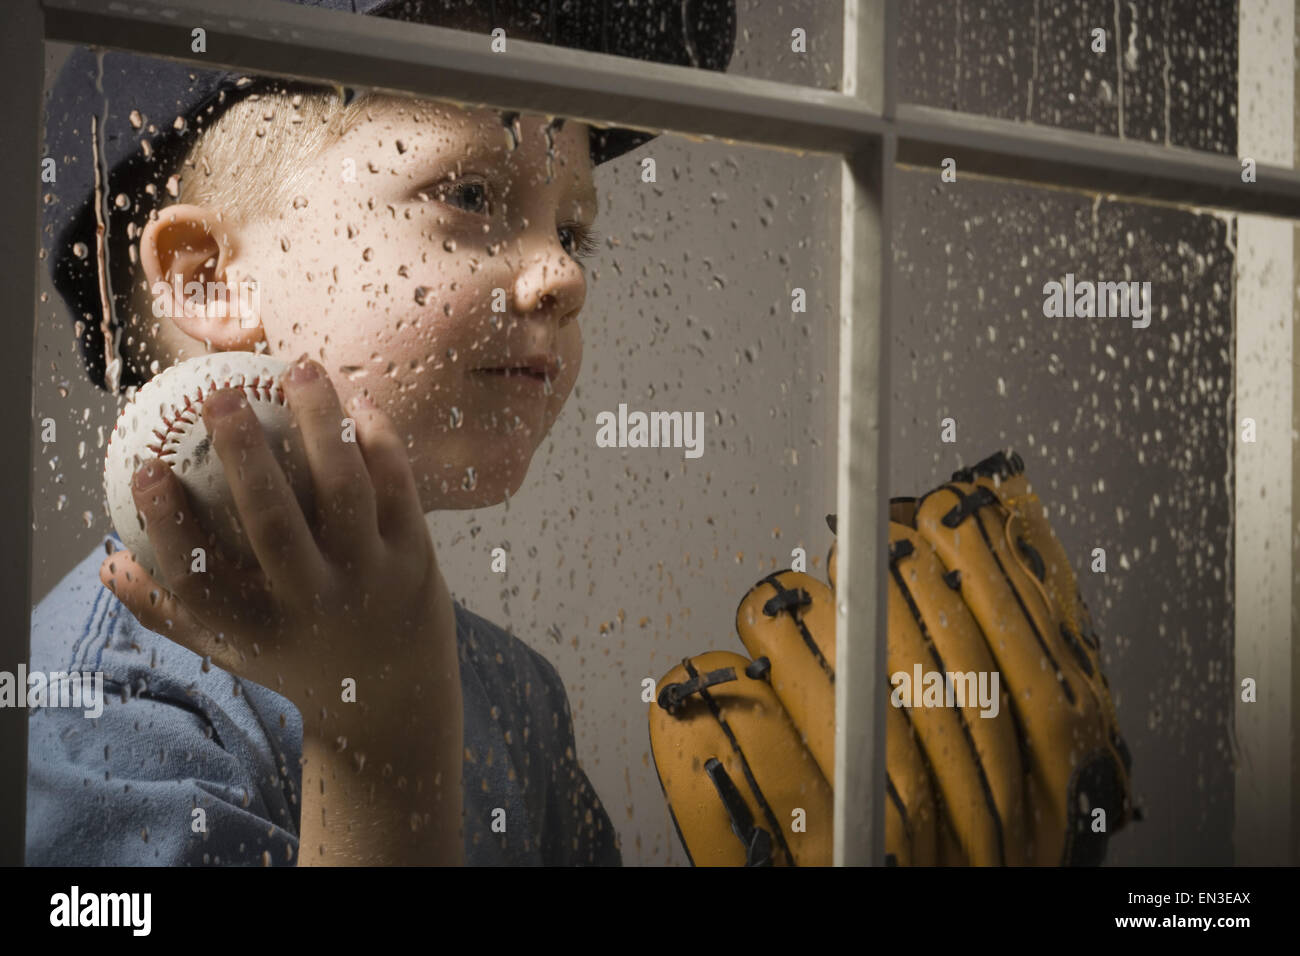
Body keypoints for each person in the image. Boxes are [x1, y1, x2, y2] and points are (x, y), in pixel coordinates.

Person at [27, 0, 736, 866]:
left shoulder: (517, 688)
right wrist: (380, 747)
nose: (561, 274)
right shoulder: (90, 703)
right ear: (208, 278)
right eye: (472, 195)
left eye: (574, 231)